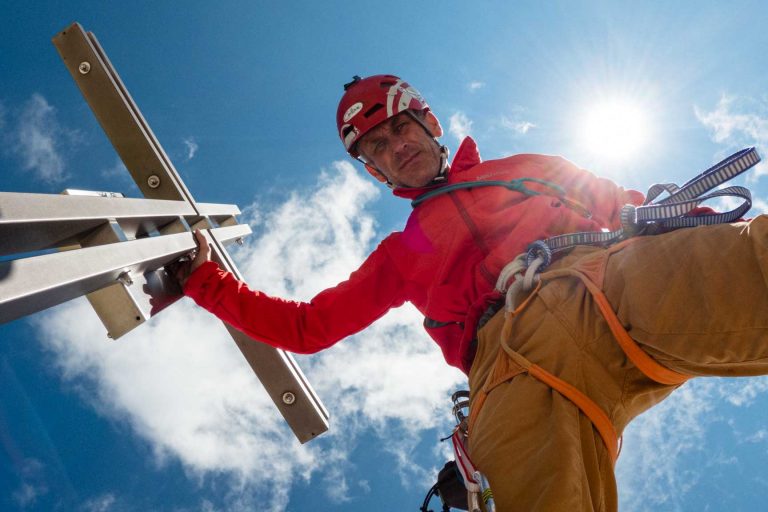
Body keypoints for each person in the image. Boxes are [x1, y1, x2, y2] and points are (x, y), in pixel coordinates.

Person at [178, 74, 768, 511]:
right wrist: (205, 283)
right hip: (511, 370)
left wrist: (676, 215)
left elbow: (621, 201)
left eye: (400, 128)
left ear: (429, 123)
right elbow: (307, 327)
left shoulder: (528, 166)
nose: (396, 147)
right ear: (373, 172)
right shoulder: (399, 255)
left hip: (603, 280)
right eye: (377, 148)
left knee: (750, 265)